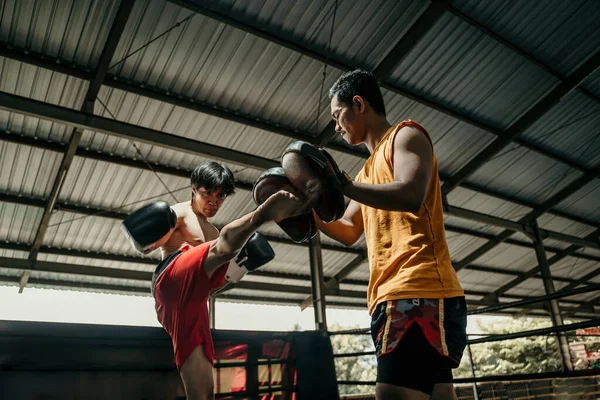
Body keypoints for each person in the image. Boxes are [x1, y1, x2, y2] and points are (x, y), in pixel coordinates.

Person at [316, 70, 467, 400]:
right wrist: (309, 212)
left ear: (358, 104)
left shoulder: (406, 136)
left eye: (337, 116)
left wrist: (345, 185)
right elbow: (348, 230)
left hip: (418, 288)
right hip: (394, 295)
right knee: (439, 395)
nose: (336, 127)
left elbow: (411, 194)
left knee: (393, 394)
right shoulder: (366, 172)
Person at [121, 161, 305, 400]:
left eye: (220, 196)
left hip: (194, 303)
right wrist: (144, 236)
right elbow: (144, 245)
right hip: (171, 280)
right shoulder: (179, 213)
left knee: (203, 392)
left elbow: (216, 284)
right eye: (208, 193)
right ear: (194, 189)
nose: (214, 201)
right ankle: (263, 214)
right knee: (224, 247)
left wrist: (240, 270)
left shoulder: (214, 235)